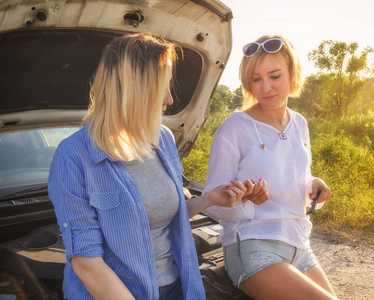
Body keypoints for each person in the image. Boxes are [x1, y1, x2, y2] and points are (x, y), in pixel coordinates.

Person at [48, 33, 259, 300]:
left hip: (178, 288)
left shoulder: (163, 139)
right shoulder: (74, 156)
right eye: (163, 88)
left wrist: (207, 199)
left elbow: (161, 217)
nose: (170, 99)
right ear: (135, 89)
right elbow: (87, 264)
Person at [203, 35, 338, 300]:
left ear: (292, 74)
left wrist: (315, 185)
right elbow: (213, 201)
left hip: (299, 245)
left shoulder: (299, 123)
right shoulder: (234, 128)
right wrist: (248, 202)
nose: (265, 87)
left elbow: (299, 175)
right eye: (256, 78)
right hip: (253, 246)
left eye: (274, 76)